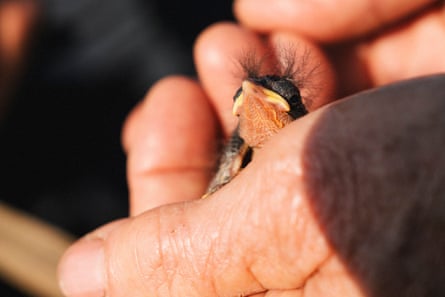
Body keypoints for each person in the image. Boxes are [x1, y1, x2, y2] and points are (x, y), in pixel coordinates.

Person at [58, 0, 445, 296]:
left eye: (279, 94)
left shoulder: (322, 153)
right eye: (244, 95)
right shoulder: (235, 160)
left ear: (293, 110)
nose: (254, 95)